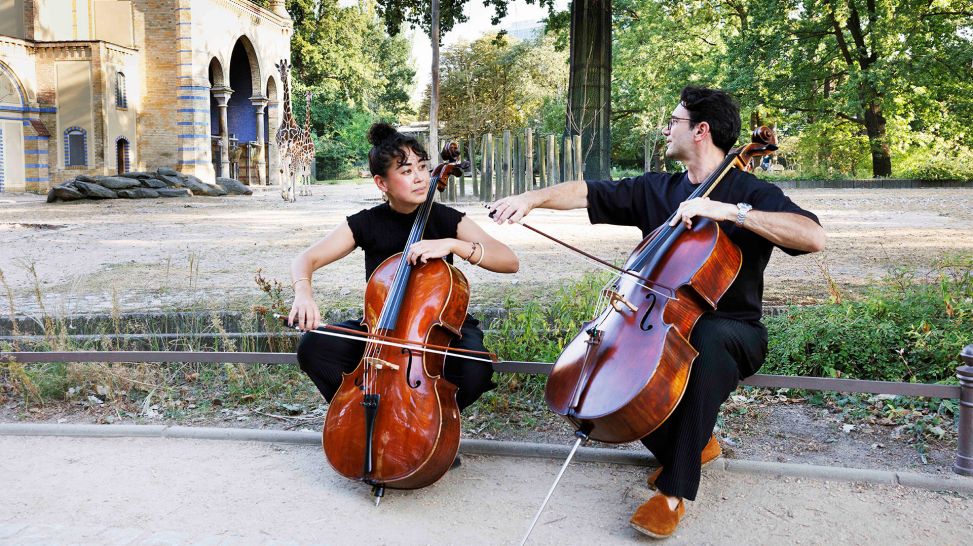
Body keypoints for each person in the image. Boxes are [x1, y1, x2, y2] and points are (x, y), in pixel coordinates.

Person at [490, 86, 824, 538]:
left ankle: (673, 492)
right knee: (631, 374)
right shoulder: (656, 188)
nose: (667, 129)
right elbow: (588, 192)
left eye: (675, 121)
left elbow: (811, 236)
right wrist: (531, 199)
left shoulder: (751, 191)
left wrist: (727, 212)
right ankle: (693, 446)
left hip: (734, 330)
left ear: (701, 131)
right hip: (657, 321)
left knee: (704, 342)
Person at [290, 122, 519, 419]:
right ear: (382, 183)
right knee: (315, 348)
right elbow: (306, 259)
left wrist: (454, 245)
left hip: (438, 328)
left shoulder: (447, 220)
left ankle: (431, 425)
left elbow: (509, 260)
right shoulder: (367, 223)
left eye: (422, 167)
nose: (421, 178)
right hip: (382, 328)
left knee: (473, 368)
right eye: (407, 171)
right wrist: (303, 293)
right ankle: (361, 414)